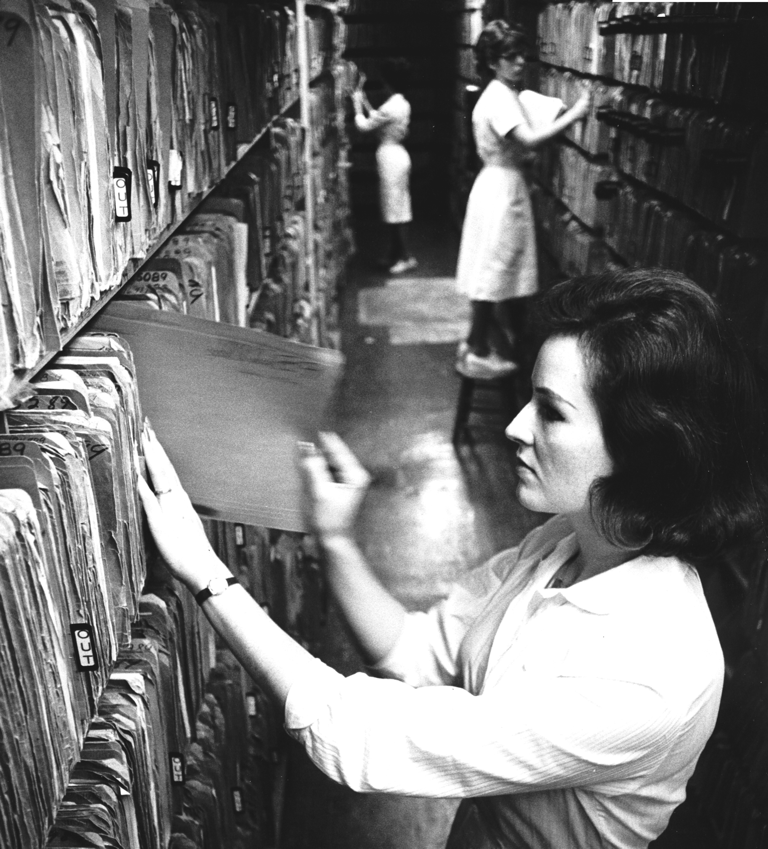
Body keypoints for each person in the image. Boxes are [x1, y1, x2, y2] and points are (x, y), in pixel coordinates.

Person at [138, 268, 768, 849]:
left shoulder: (651, 671)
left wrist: (209, 578)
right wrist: (334, 538)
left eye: (551, 413)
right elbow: (417, 653)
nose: (516, 427)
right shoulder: (563, 543)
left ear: (645, 451)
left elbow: (358, 736)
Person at [455, 20, 590, 380]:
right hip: (501, 190)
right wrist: (576, 113)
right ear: (492, 61)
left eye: (521, 55)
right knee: (496, 268)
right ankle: (479, 349)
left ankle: (481, 343)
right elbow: (529, 139)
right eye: (509, 56)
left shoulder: (504, 92)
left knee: (495, 267)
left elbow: (516, 142)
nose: (519, 62)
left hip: (498, 183)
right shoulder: (499, 96)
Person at [352, 58, 417, 275]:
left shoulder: (391, 106)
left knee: (395, 210)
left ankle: (406, 256)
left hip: (391, 159)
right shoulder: (401, 103)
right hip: (398, 156)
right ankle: (394, 253)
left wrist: (356, 105)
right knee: (395, 207)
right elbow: (378, 118)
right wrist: (365, 102)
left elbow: (364, 126)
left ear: (388, 82)